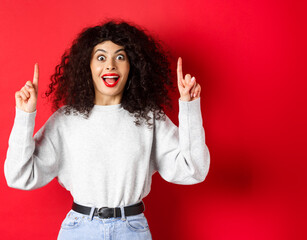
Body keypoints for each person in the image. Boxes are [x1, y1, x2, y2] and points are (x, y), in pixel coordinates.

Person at [4, 21, 210, 239]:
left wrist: (190, 107)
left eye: (120, 57)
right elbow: (19, 177)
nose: (110, 65)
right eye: (101, 57)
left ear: (132, 66)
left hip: (132, 230)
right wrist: (25, 115)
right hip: (80, 230)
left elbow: (193, 170)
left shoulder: (149, 117)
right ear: (88, 66)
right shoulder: (66, 120)